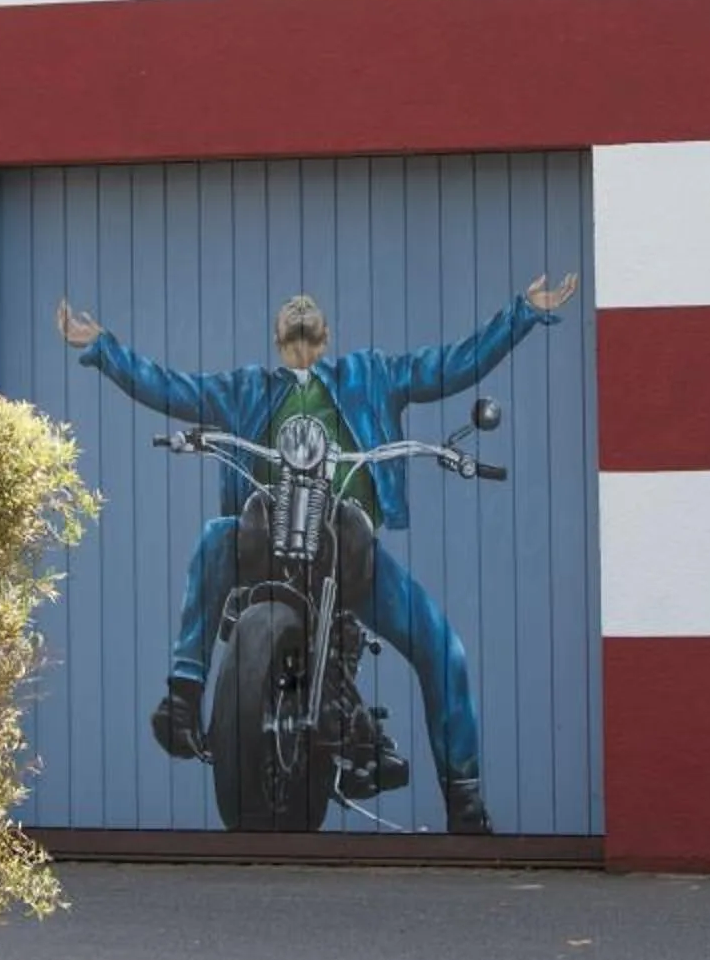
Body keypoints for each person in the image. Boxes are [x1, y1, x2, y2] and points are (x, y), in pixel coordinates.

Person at [58, 273, 579, 835]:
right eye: (291, 317)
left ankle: (465, 801)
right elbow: (170, 387)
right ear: (279, 337)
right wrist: (102, 348)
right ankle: (184, 697)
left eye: (310, 319)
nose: (300, 318)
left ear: (326, 338)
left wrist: (522, 313)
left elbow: (450, 366)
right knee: (216, 537)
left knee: (443, 648)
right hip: (267, 535)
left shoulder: (370, 374)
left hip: (345, 542)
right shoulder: (246, 389)